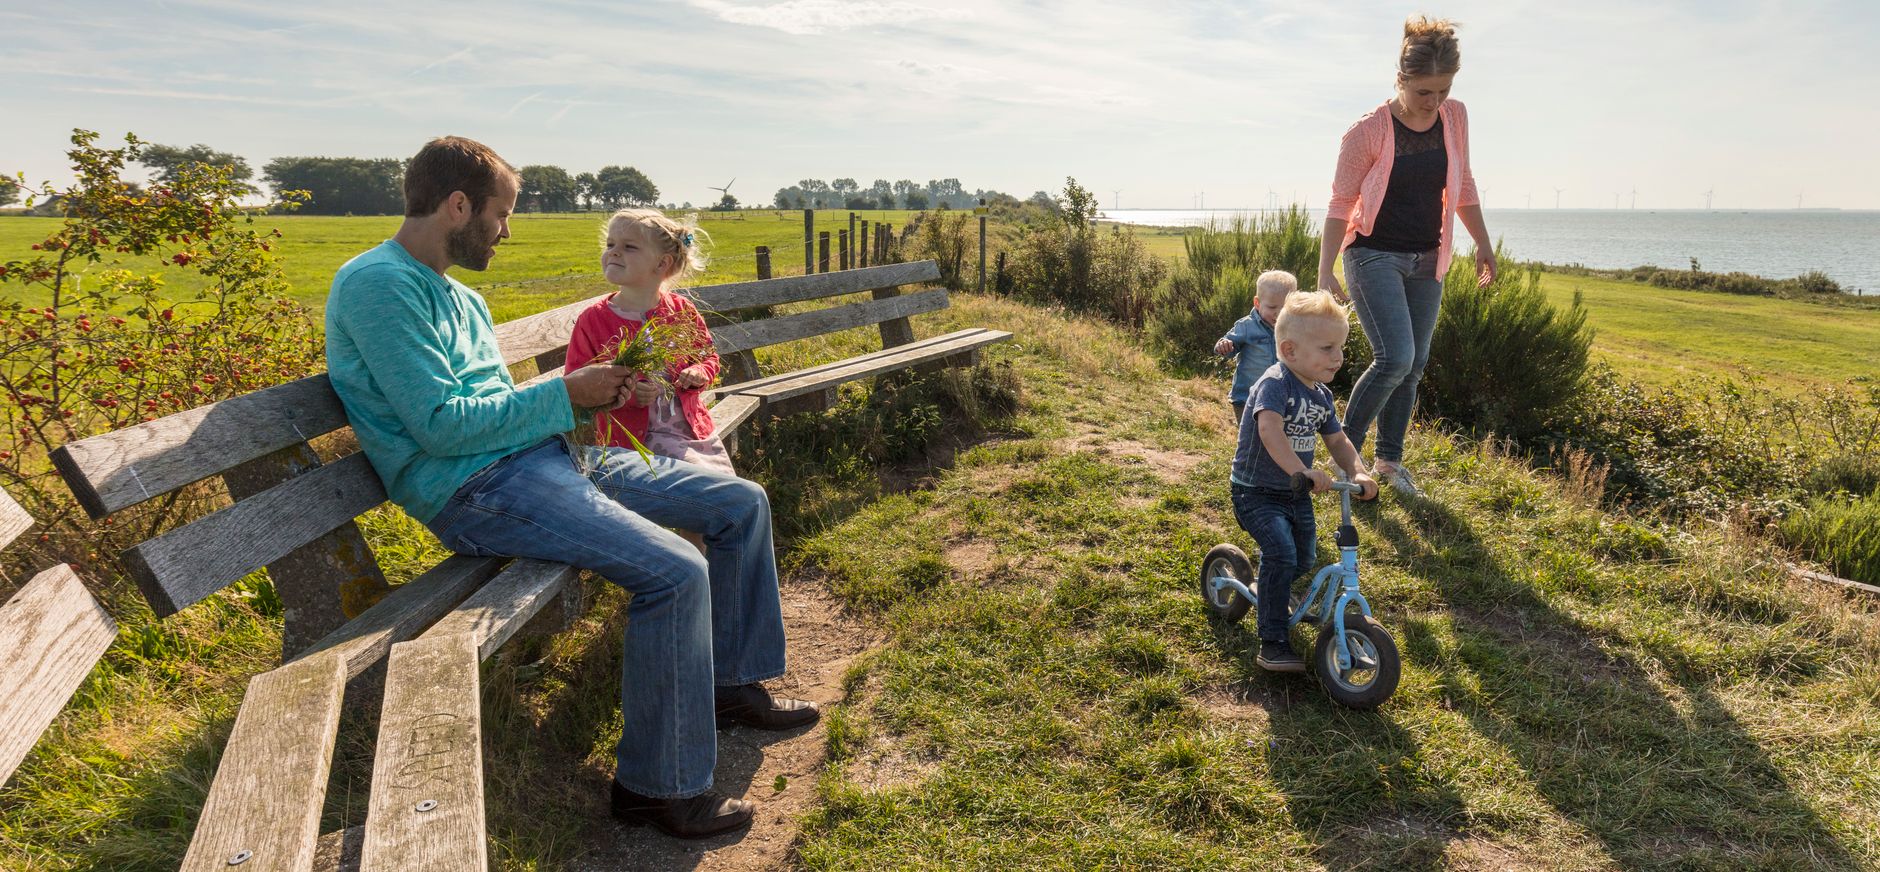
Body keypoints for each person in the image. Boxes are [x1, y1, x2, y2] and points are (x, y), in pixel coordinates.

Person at [324, 136, 815, 841]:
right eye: (501, 214)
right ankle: (656, 787)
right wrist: (567, 391)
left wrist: (587, 397)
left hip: (537, 460)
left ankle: (730, 686)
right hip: (473, 488)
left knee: (740, 502)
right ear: (459, 205)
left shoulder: (458, 295)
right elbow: (439, 427)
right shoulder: (378, 285)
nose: (506, 229)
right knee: (676, 572)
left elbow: (492, 401)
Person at [1317, 15, 1496, 497]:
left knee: (1414, 364)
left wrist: (1481, 241)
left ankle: (1390, 464)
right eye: (1424, 93)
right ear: (1401, 79)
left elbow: (1464, 184)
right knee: (1394, 356)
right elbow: (1340, 203)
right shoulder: (1367, 132)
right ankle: (1346, 461)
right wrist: (1325, 270)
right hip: (1373, 253)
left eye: (1443, 91)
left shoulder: (1455, 117)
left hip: (1427, 257)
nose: (1434, 102)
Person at [1230, 291, 1377, 673]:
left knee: (1305, 557)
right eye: (1327, 348)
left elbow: (1338, 440)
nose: (1338, 357)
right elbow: (1269, 430)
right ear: (1290, 350)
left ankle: (1271, 589)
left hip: (1295, 494)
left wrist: (1358, 471)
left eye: (1341, 347)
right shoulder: (1274, 384)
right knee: (1282, 553)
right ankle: (1273, 640)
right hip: (1256, 491)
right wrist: (1302, 469)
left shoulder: (1322, 396)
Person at [567, 209, 735, 477]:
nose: (614, 252)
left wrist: (699, 372)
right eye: (610, 244)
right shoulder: (594, 320)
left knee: (724, 487)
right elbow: (575, 385)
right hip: (632, 442)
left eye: (629, 247)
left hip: (692, 429)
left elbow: (708, 357)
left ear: (661, 264)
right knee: (715, 490)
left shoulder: (681, 310)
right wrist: (627, 395)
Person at [1213, 270, 1296, 423]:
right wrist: (1225, 345)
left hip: (1281, 398)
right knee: (1250, 441)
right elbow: (1229, 345)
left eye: (1285, 308)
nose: (1278, 313)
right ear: (1257, 303)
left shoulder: (1294, 328)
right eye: (1272, 307)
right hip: (1247, 397)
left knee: (1276, 439)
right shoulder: (1247, 326)